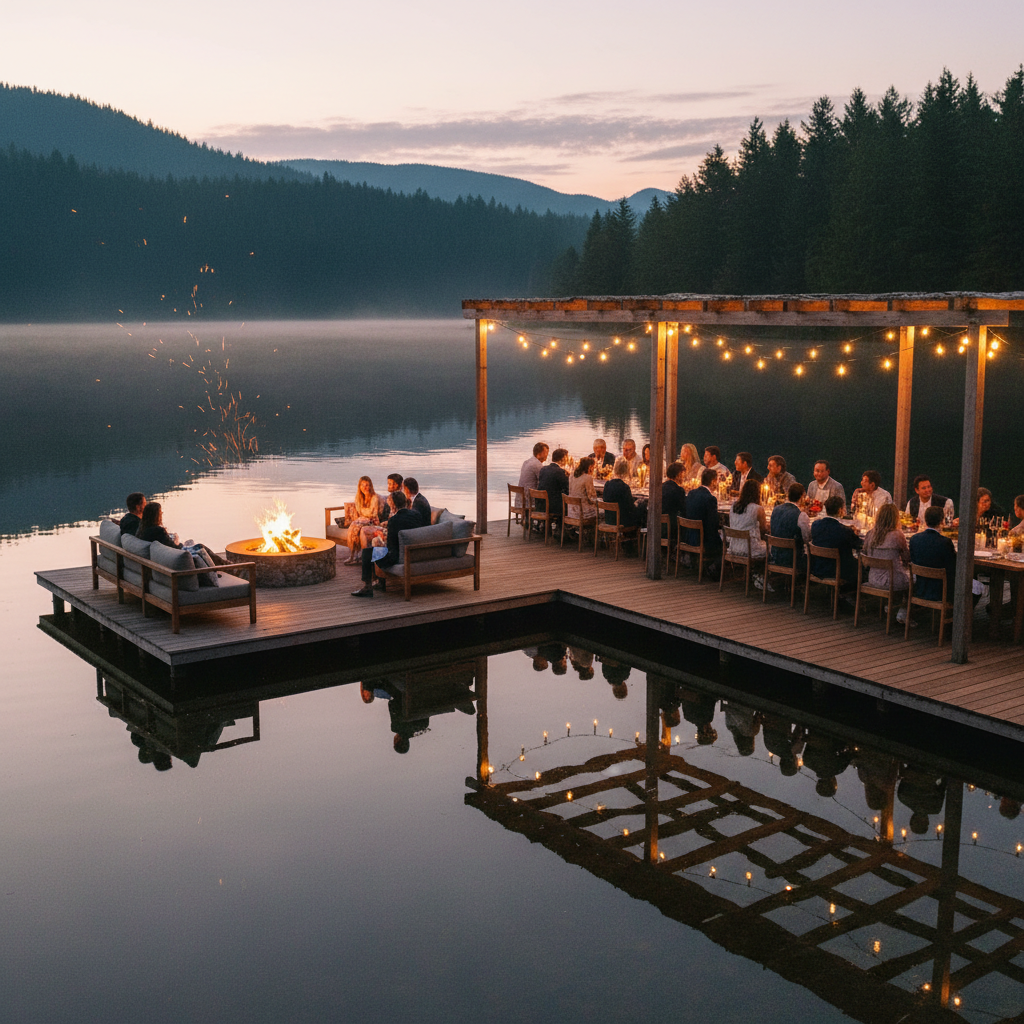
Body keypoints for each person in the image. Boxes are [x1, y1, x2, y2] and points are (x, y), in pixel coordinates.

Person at [351, 491, 421, 597]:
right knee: (378, 548)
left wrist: (380, 542)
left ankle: (367, 587)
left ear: (393, 505)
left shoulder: (394, 520)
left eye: (390, 504)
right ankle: (380, 583)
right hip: (415, 553)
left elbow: (391, 546)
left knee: (368, 552)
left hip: (397, 557)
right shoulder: (416, 515)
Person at [863, 503, 911, 621]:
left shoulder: (870, 534)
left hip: (873, 578)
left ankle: (891, 606)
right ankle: (903, 610)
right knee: (914, 578)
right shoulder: (897, 535)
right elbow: (907, 559)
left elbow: (865, 553)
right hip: (892, 581)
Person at [135, 502, 227, 564]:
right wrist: (176, 540)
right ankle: (224, 565)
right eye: (160, 512)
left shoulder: (142, 529)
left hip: (165, 557)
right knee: (200, 547)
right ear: (155, 515)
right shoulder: (158, 531)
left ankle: (223, 563)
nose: (162, 513)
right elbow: (175, 548)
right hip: (177, 556)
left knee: (191, 542)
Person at [810, 494, 862, 591]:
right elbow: (859, 545)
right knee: (860, 565)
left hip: (818, 567)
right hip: (838, 571)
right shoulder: (844, 531)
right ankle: (853, 594)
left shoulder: (815, 525)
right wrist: (854, 534)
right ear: (840, 510)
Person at [908, 505, 958, 603]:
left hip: (920, 588)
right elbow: (953, 566)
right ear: (942, 521)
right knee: (978, 588)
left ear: (925, 521)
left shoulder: (914, 539)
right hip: (941, 591)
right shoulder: (945, 542)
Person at [681, 467, 723, 576]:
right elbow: (712, 524)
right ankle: (714, 568)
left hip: (688, 536)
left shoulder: (691, 493)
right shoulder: (710, 498)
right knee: (725, 542)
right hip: (701, 539)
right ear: (713, 481)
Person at [769, 482, 811, 571]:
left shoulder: (775, 509)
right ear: (802, 497)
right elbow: (807, 539)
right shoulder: (801, 515)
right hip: (793, 559)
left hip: (774, 555)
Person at [344, 476, 385, 565]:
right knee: (353, 527)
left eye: (367, 485)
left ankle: (355, 556)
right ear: (359, 486)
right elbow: (360, 511)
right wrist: (363, 515)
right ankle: (353, 555)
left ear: (370, 486)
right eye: (362, 485)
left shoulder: (374, 497)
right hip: (363, 520)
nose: (365, 487)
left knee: (355, 526)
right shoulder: (359, 497)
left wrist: (364, 515)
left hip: (373, 521)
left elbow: (372, 513)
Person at [728, 479, 767, 561]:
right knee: (771, 548)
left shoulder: (733, 506)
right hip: (749, 550)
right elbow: (763, 530)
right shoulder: (758, 509)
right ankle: (760, 569)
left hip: (733, 547)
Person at [602, 457, 640, 529]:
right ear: (627, 470)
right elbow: (630, 506)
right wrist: (638, 503)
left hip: (609, 519)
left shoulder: (607, 484)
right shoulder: (624, 487)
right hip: (622, 521)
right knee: (642, 508)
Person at [537, 447, 570, 526]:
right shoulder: (560, 472)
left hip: (540, 505)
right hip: (553, 507)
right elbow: (567, 489)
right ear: (563, 459)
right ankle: (564, 528)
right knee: (570, 503)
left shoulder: (543, 469)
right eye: (567, 458)